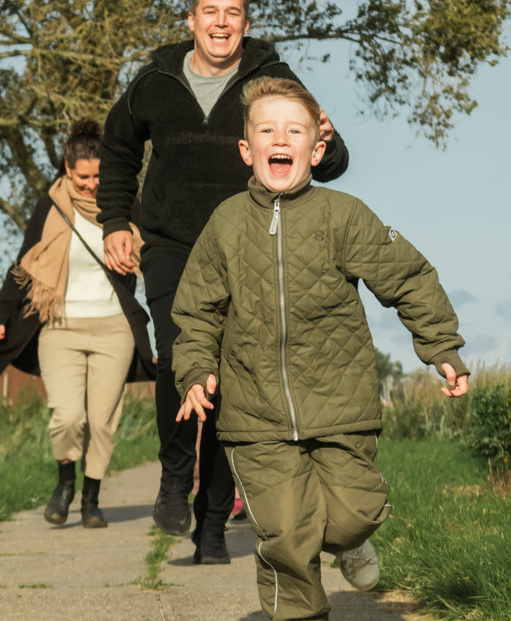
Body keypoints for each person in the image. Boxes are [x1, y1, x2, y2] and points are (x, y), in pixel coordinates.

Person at [173, 77, 469, 621]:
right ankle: (301, 613)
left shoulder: (342, 215)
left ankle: (352, 541)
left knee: (353, 514)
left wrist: (441, 347)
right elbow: (197, 311)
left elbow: (407, 279)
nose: (279, 139)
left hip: (340, 401)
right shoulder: (226, 224)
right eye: (267, 130)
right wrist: (194, 370)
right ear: (247, 149)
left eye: (294, 130)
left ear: (317, 148)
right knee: (285, 533)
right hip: (254, 413)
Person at [97, 0, 350, 563]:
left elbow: (326, 159)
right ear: (191, 21)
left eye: (231, 13)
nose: (220, 23)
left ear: (245, 22)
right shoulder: (155, 82)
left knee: (229, 384)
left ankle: (212, 523)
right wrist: (114, 221)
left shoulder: (272, 80)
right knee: (181, 350)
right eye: (209, 12)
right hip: (169, 243)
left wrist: (331, 142)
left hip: (247, 248)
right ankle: (173, 474)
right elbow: (117, 148)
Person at [0, 119, 155, 529]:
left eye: (98, 176)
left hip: (113, 329)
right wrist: (0, 316)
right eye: (83, 177)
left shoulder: (124, 205)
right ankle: (64, 484)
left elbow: (152, 254)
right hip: (59, 326)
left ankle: (91, 498)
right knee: (68, 416)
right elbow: (25, 261)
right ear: (67, 171)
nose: (91, 185)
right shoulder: (50, 206)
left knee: (102, 422)